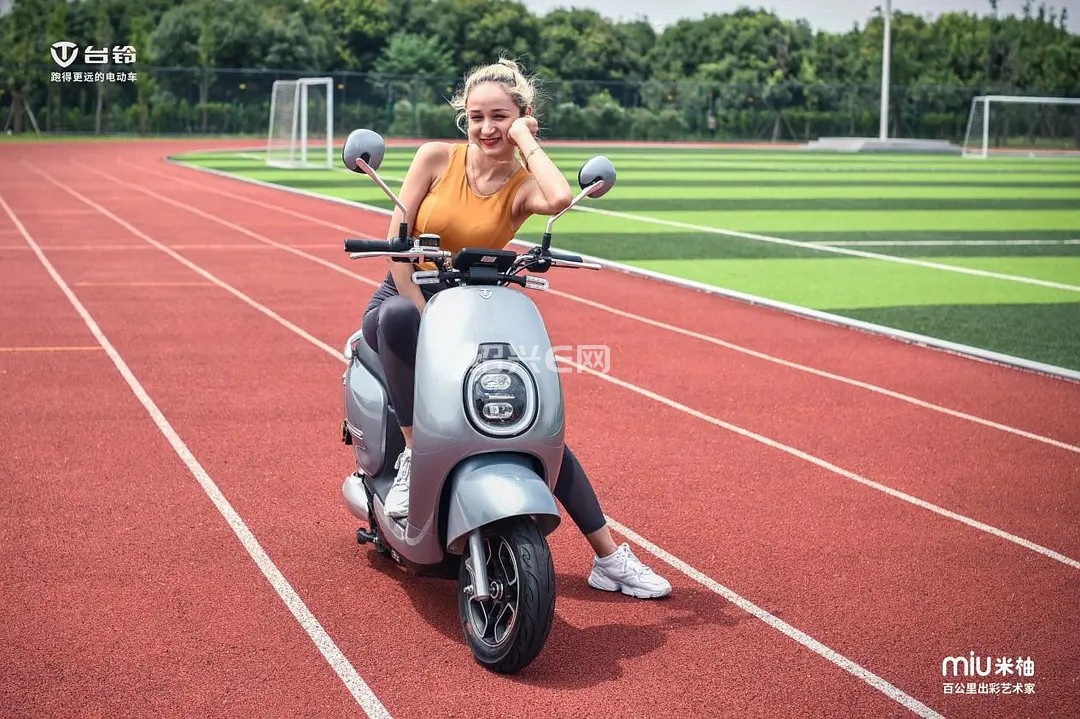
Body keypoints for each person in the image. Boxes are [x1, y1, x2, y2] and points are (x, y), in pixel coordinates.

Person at [358, 58, 671, 600]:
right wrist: (426, 307)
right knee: (396, 318)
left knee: (526, 418)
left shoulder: (524, 184)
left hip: (479, 303)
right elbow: (398, 251)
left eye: (500, 117)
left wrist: (526, 141)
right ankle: (411, 458)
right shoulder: (435, 157)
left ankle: (610, 558)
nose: (485, 129)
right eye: (475, 117)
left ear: (523, 117)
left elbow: (556, 200)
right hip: (412, 300)